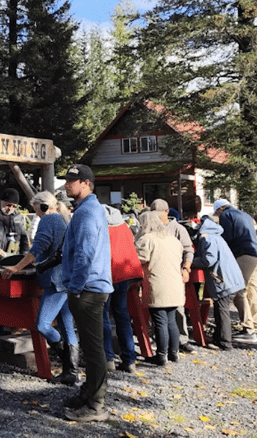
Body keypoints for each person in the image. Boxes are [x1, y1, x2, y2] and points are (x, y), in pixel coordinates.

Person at [1, 191, 78, 385]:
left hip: (54, 279)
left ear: (42, 206)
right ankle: (72, 371)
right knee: (67, 325)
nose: (35, 213)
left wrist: (17, 267)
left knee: (42, 325)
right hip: (65, 278)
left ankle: (68, 363)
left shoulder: (48, 220)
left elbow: (37, 249)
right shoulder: (61, 219)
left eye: (35, 209)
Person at [59, 164, 113, 422]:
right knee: (92, 347)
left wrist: (76, 287)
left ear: (87, 184)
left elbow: (85, 253)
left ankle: (96, 405)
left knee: (93, 349)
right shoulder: (88, 210)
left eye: (73, 180)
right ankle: (90, 391)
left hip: (88, 290)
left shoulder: (87, 213)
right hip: (90, 287)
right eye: (68, 180)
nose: (68, 184)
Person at [135, 211, 185, 366]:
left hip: (157, 284)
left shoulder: (147, 239)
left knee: (160, 321)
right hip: (175, 284)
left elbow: (139, 259)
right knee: (171, 320)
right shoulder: (173, 240)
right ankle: (174, 353)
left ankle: (161, 355)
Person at [214, 199, 257, 343]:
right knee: (253, 293)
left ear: (220, 209)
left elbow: (227, 237)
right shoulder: (245, 215)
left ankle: (247, 328)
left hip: (243, 255)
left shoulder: (226, 215)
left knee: (238, 291)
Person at [192, 215, 245, 350]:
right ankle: (219, 338)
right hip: (232, 278)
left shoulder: (206, 237)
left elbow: (209, 259)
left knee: (222, 310)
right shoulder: (215, 235)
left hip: (223, 280)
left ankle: (225, 342)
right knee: (219, 308)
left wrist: (190, 262)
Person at [150, 199, 196, 354]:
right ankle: (163, 342)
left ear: (166, 212)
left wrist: (186, 268)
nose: (156, 217)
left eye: (159, 214)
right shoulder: (151, 228)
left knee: (177, 310)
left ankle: (181, 340)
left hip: (175, 272)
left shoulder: (178, 228)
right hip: (156, 274)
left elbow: (188, 250)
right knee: (160, 314)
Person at [101, 205, 141, 374]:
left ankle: (108, 358)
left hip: (106, 273)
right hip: (124, 273)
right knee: (122, 315)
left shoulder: (101, 226)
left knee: (102, 316)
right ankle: (129, 359)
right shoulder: (123, 225)